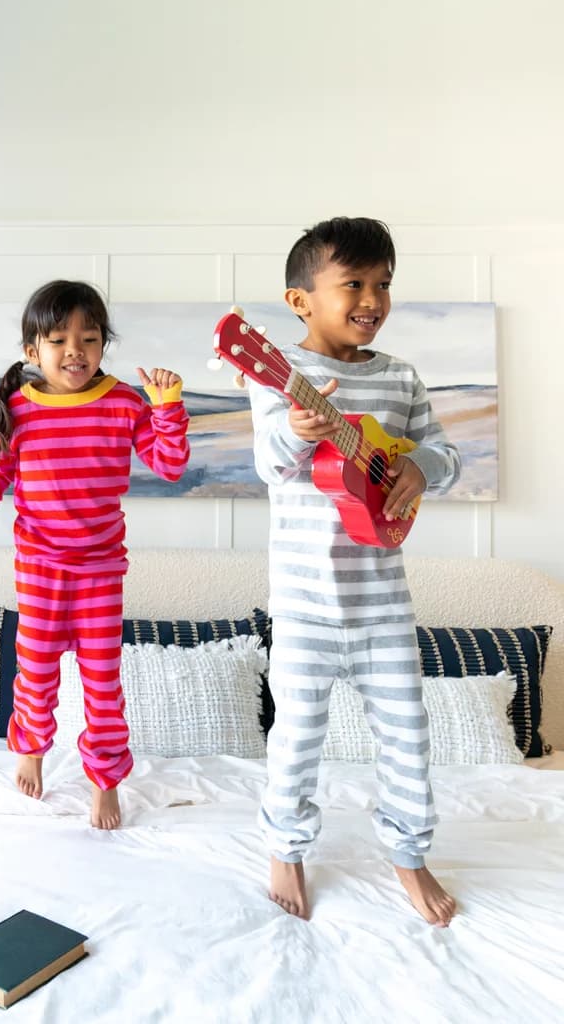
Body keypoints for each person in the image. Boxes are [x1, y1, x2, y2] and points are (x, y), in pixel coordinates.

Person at [248, 217, 460, 924]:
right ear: (300, 300)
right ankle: (285, 849)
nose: (372, 299)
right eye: (354, 284)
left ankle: (409, 854)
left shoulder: (401, 377)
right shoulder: (279, 373)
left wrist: (418, 467)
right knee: (296, 738)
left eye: (383, 284)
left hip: (383, 603)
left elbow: (446, 454)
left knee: (408, 736)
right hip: (304, 604)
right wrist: (294, 430)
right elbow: (270, 465)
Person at [0, 279, 190, 829]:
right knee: (35, 675)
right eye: (58, 340)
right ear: (32, 350)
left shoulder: (123, 403)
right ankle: (31, 749)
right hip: (39, 570)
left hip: (101, 573)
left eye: (88, 338)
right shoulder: (19, 408)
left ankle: (105, 780)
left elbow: (170, 465)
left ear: (104, 344)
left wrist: (168, 407)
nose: (75, 351)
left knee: (103, 685)